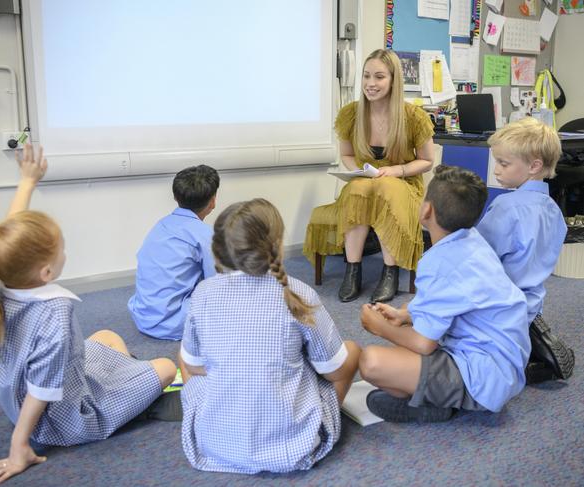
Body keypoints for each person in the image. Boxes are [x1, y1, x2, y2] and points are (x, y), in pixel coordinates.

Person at [0, 145, 178, 483]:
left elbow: (10, 233)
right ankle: (132, 399)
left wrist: (27, 182)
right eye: (62, 248)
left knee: (108, 336)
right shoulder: (54, 313)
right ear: (46, 273)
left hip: (44, 392)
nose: (66, 251)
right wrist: (18, 445)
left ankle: (131, 387)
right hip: (66, 418)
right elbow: (41, 389)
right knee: (168, 367)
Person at [179, 198, 361, 473]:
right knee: (351, 351)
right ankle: (315, 426)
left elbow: (194, 367)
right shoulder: (298, 293)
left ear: (219, 248)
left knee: (185, 358)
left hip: (216, 447)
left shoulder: (203, 293)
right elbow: (334, 371)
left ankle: (223, 422)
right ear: (276, 244)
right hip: (294, 448)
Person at [359, 166, 530, 422]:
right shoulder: (471, 239)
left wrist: (379, 328)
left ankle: (441, 402)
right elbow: (451, 299)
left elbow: (424, 345)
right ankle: (434, 398)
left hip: (485, 377)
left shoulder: (439, 263)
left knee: (370, 362)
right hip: (502, 365)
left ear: (426, 210)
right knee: (402, 339)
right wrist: (404, 315)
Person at [303, 49, 435, 303]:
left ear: (394, 80)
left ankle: (390, 272)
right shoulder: (351, 114)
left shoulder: (413, 117)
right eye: (366, 76)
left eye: (379, 77)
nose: (370, 84)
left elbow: (428, 161)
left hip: (404, 183)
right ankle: (353, 270)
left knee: (388, 187)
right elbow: (347, 154)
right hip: (365, 182)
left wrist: (397, 170)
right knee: (357, 190)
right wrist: (358, 172)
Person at [476, 117, 574, 384]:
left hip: (501, 304)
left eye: (504, 164)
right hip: (532, 303)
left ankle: (514, 363)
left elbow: (480, 255)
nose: (497, 170)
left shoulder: (506, 207)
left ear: (534, 166)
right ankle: (530, 348)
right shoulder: (553, 209)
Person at [128, 164, 219, 340]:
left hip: (142, 316)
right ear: (213, 201)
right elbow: (218, 284)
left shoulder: (161, 225)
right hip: (173, 323)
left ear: (175, 197)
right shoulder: (206, 236)